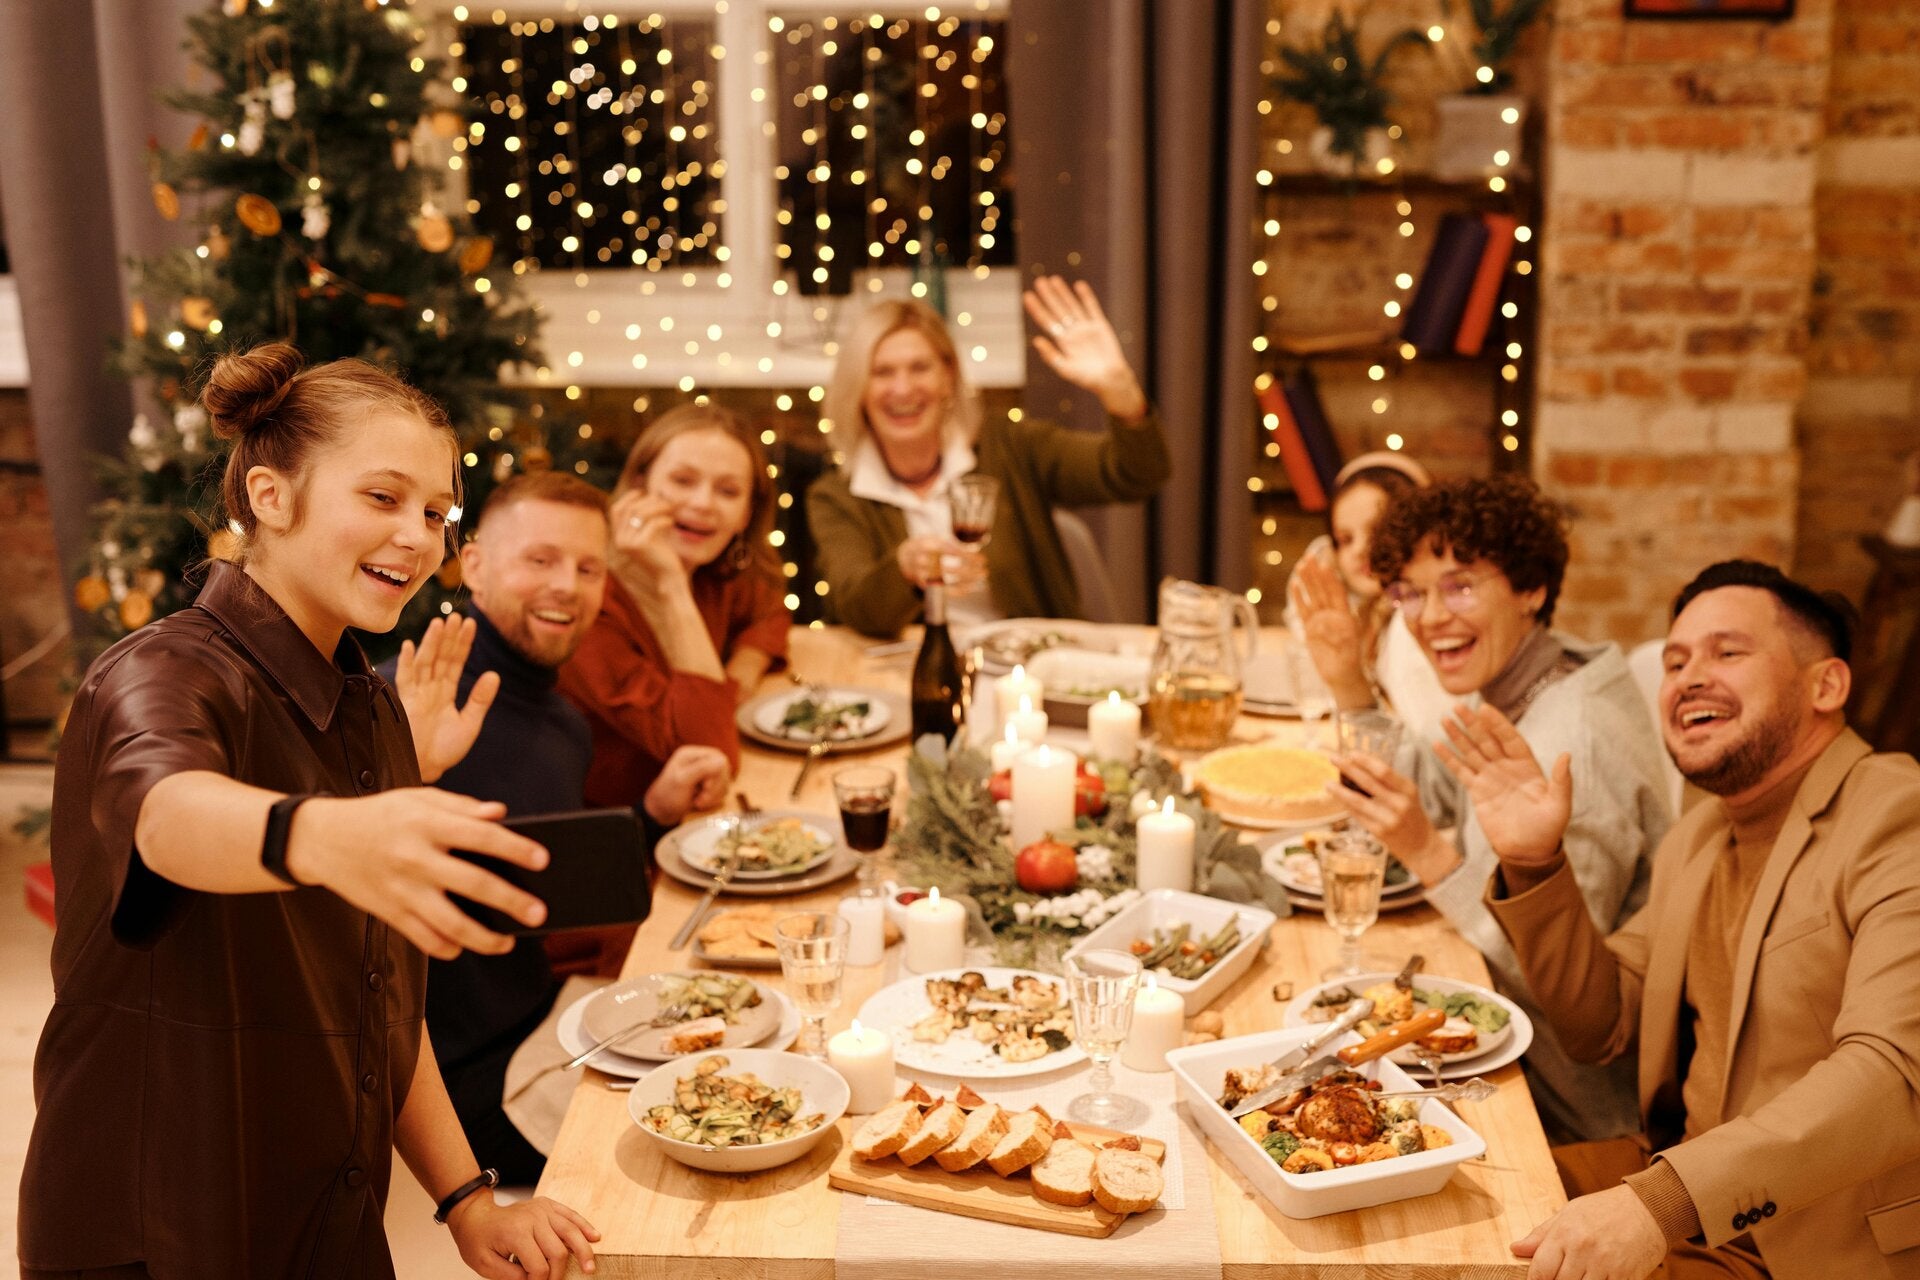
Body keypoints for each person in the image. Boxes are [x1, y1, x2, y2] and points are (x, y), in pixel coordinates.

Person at [18, 344, 598, 1280]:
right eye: (383, 497)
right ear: (271, 497)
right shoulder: (161, 673)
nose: (418, 536)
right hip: (161, 1228)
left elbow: (377, 1003)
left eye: (437, 512)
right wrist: (324, 829)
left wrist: (465, 1200)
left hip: (323, 1212)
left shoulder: (367, 706)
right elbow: (167, 816)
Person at [1466, 561, 1920, 1280]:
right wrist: (1534, 862)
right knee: (1446, 1203)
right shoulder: (1702, 834)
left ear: (1826, 685)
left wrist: (1661, 1203)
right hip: (1682, 1200)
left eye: (1727, 652)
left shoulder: (1897, 815)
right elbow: (1601, 1024)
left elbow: (1897, 1074)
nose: (1688, 677)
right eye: (1675, 661)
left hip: (1811, 1247)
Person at [384, 471, 730, 1184]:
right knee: (706, 1144)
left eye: (587, 567)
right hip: (456, 1088)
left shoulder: (561, 719)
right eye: (539, 560)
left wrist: (652, 812)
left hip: (546, 1019)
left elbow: (540, 865)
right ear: (472, 564)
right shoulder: (408, 701)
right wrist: (403, 776)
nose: (567, 586)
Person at [1330, 475, 1671, 1145]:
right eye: (1412, 593)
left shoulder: (1574, 743)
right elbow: (1431, 786)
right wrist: (1348, 677)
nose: (1429, 618)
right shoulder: (1531, 674)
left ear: (1531, 588)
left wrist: (1430, 854)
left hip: (1572, 1111)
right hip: (1509, 1049)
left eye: (1460, 586)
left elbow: (1563, 997)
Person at [808, 278, 1172, 636]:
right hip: (916, 673)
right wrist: (904, 569)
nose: (903, 389)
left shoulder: (1011, 446)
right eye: (882, 372)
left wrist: (1120, 391)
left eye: (920, 368)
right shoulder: (836, 497)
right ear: (858, 387)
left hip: (1028, 670)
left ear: (948, 376)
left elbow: (1137, 475)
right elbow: (855, 608)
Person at [557, 403, 789, 811]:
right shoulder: (585, 600)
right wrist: (671, 585)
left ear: (746, 514)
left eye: (728, 491)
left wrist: (744, 669)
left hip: (690, 814)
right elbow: (709, 752)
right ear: (639, 485)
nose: (702, 503)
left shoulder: (712, 569)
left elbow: (770, 610)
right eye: (683, 481)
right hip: (618, 831)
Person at [1285, 451, 1452, 739]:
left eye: (1376, 531)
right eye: (1345, 539)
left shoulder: (1414, 625)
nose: (1360, 550)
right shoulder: (1367, 615)